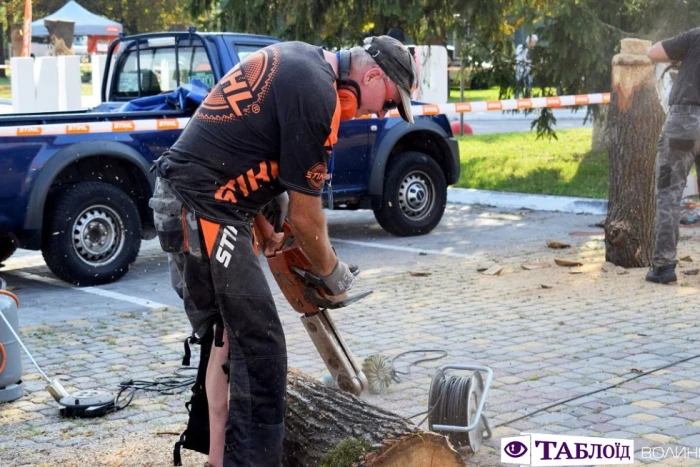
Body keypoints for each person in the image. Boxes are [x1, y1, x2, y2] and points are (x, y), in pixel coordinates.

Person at [149, 35, 417, 466]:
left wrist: (264, 227)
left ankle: (218, 459)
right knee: (261, 347)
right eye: (386, 101)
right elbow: (307, 218)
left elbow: (238, 151)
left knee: (228, 342)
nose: (380, 113)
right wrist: (332, 274)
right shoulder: (316, 92)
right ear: (371, 75)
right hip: (198, 207)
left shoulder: (303, 64)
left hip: (203, 200)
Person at [646, 29, 700, 284]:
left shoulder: (696, 36)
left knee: (669, 195)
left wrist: (682, 56)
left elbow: (653, 52)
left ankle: (663, 268)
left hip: (684, 122)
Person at [515, 34, 538, 99]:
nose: (534, 44)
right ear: (529, 42)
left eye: (535, 42)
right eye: (534, 42)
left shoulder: (533, 50)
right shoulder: (521, 48)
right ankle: (516, 101)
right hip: (521, 71)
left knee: (528, 87)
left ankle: (527, 102)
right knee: (519, 87)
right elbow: (518, 60)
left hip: (529, 72)